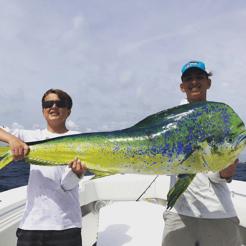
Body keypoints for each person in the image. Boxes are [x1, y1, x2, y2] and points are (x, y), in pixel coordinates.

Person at [162, 61, 242, 246]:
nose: (194, 82)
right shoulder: (171, 121)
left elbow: (219, 176)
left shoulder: (220, 117)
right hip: (179, 211)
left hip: (218, 210)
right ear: (182, 87)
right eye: (189, 78)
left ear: (208, 83)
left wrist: (228, 168)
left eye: (199, 77)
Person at [0, 89, 87, 246]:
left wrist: (76, 173)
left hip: (67, 225)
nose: (53, 106)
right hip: (31, 224)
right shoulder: (28, 137)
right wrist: (12, 140)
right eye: (48, 103)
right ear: (43, 111)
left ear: (68, 112)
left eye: (60, 103)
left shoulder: (80, 139)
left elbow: (67, 185)